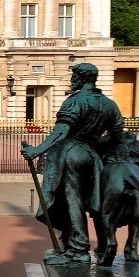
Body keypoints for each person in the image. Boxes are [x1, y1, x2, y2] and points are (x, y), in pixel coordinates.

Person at [22, 63, 124, 263]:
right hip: (93, 158)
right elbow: (117, 137)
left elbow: (61, 132)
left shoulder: (74, 102)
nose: (71, 79)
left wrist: (36, 150)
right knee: (93, 203)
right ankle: (88, 245)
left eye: (74, 76)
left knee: (72, 200)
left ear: (82, 78)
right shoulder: (109, 104)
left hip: (71, 153)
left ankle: (78, 249)